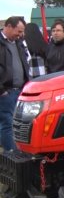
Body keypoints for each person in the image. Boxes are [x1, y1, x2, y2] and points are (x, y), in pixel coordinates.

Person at [0, 16, 29, 151]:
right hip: (6, 92)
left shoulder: (18, 42)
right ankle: (11, 154)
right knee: (8, 123)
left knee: (20, 124)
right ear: (9, 27)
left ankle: (20, 150)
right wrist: (1, 90)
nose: (20, 34)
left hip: (21, 90)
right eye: (18, 31)